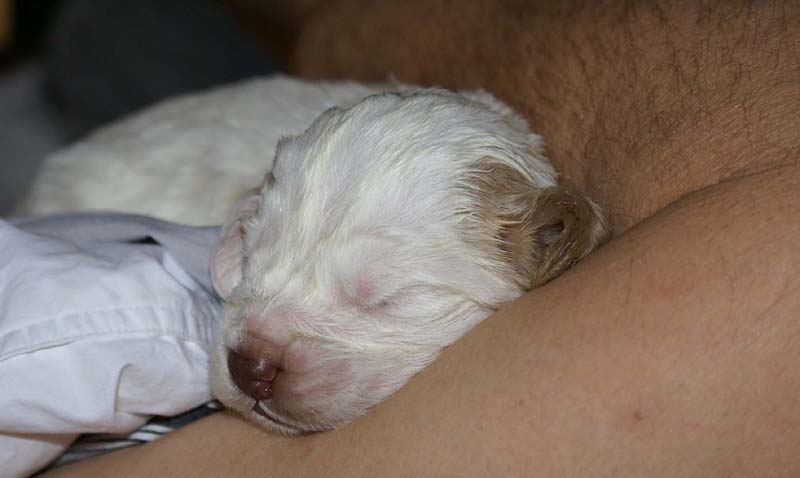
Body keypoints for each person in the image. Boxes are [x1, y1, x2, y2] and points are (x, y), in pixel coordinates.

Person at [44, 1, 800, 476]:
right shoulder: (327, 183)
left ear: (539, 261)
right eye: (262, 259)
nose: (256, 354)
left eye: (381, 299)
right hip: (88, 196)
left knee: (103, 38)